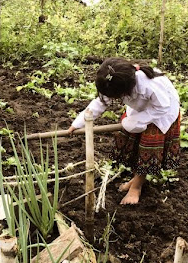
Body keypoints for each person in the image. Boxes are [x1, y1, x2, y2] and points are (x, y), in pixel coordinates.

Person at [67, 57, 181, 205]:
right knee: (134, 144)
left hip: (160, 113)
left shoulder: (149, 85)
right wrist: (78, 123)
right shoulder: (112, 82)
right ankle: (136, 179)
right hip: (141, 109)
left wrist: (139, 120)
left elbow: (162, 107)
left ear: (126, 89)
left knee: (146, 150)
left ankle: (136, 187)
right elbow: (100, 103)